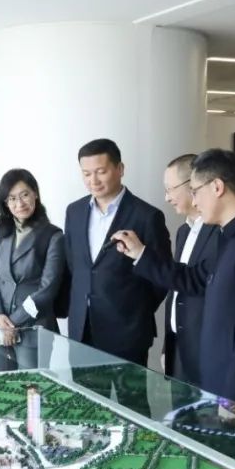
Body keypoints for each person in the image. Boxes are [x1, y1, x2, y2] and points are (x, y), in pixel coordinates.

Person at [111, 148, 235, 416]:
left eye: (195, 191)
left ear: (217, 187)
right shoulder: (232, 236)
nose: (195, 201)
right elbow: (197, 279)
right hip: (216, 386)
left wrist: (234, 402)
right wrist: (141, 254)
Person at [62, 138, 170, 366]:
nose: (93, 180)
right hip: (82, 330)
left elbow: (161, 277)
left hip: (127, 332)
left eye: (101, 172)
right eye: (86, 174)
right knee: (82, 390)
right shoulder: (74, 211)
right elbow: (74, 265)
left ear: (120, 169)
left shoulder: (147, 216)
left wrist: (133, 310)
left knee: (130, 391)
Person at [0, 168, 66, 371]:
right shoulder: (0, 231)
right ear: (5, 203)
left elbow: (47, 290)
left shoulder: (53, 236)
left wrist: (13, 323)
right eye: (12, 198)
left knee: (31, 387)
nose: (19, 204)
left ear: (35, 193)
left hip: (33, 329)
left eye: (24, 195)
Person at [159, 153, 220, 387]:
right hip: (178, 348)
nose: (167, 197)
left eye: (170, 189)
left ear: (192, 184)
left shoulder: (219, 232)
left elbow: (197, 283)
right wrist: (167, 346)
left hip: (206, 354)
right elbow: (176, 291)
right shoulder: (183, 232)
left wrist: (142, 255)